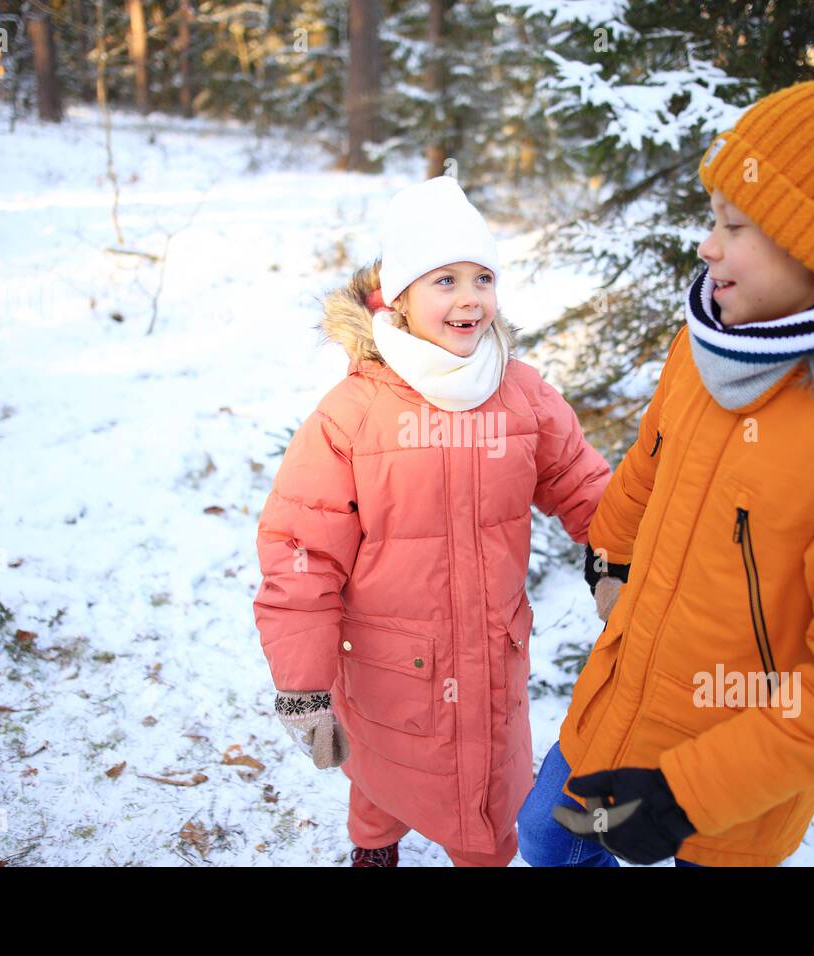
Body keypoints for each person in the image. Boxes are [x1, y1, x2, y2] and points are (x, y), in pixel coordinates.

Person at [518, 58, 814, 867]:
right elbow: (650, 462)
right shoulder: (706, 348)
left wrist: (684, 798)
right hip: (616, 708)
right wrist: (609, 553)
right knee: (545, 842)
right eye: (714, 216)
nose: (708, 245)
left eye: (737, 225)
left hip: (733, 784)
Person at [253, 175, 612, 866]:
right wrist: (302, 683)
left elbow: (583, 481)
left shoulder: (521, 392)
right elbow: (302, 549)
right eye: (444, 280)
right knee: (381, 763)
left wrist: (624, 545)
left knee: (487, 800)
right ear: (399, 297)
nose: (470, 297)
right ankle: (374, 848)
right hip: (389, 658)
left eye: (483, 277)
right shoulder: (353, 413)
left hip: (489, 659)